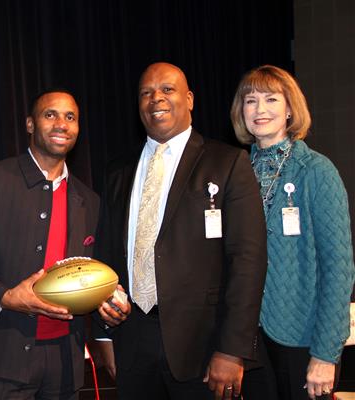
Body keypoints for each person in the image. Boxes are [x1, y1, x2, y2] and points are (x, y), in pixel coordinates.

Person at [0, 89, 130, 399]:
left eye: (70, 117)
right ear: (30, 124)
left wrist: (107, 298)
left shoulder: (89, 201)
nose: (61, 124)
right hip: (0, 359)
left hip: (65, 364)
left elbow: (89, 273)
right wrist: (6, 296)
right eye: (50, 115)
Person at [93, 62, 268, 400]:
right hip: (131, 341)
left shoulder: (228, 162)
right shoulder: (118, 169)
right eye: (146, 93)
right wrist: (104, 335)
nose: (156, 98)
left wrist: (232, 350)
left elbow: (248, 260)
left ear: (189, 99)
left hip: (203, 350)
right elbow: (106, 253)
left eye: (167, 90)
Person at [231, 64, 355, 400]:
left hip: (303, 340)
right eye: (250, 100)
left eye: (271, 99)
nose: (260, 110)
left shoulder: (317, 171)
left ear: (290, 109)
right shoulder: (234, 172)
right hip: (249, 340)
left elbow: (338, 270)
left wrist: (326, 354)